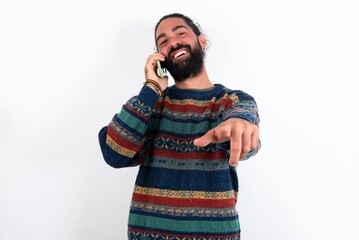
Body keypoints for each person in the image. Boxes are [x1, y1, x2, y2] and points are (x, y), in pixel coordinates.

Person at [98, 13, 260, 240]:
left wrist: (239, 127)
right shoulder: (150, 104)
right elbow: (114, 154)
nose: (173, 42)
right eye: (163, 41)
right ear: (159, 57)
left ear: (202, 41)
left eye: (180, 33)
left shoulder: (232, 101)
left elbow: (247, 137)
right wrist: (151, 88)